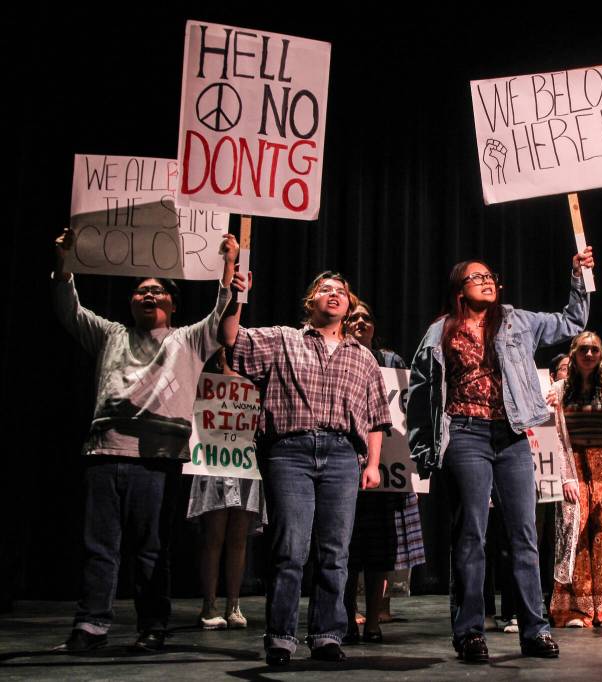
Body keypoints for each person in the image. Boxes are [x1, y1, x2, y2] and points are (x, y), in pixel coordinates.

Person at [52, 228, 237, 652]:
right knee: (99, 547)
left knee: (151, 549)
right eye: (141, 291)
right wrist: (64, 261)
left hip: (158, 458)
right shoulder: (111, 334)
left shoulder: (186, 339)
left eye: (157, 291)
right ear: (131, 302)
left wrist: (228, 265)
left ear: (172, 303)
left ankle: (153, 626)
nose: (148, 295)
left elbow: (219, 316)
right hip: (105, 451)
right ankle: (91, 625)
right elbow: (69, 309)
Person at [407, 248, 593, 662]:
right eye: (478, 277)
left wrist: (579, 276)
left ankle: (534, 630)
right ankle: (470, 631)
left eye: (491, 275)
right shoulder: (441, 333)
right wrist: (425, 450)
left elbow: (572, 322)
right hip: (465, 434)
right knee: (471, 533)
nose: (488, 281)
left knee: (524, 534)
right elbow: (420, 393)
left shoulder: (515, 320)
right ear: (459, 288)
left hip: (510, 435)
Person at [219, 271, 391, 666]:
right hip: (290, 451)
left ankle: (327, 635)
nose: (334, 296)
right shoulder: (282, 339)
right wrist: (234, 293)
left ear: (348, 305)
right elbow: (231, 339)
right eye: (325, 290)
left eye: (341, 292)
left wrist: (374, 463)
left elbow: (377, 417)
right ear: (310, 301)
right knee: (290, 549)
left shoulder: (362, 356)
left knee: (335, 552)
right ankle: (280, 637)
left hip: (343, 454)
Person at [342, 300, 425, 644]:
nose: (361, 321)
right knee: (345, 552)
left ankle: (373, 620)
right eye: (354, 317)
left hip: (386, 474)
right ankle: (345, 620)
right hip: (345, 467)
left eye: (367, 317)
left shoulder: (392, 363)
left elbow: (407, 410)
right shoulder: (336, 359)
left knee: (380, 552)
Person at [549, 331, 602, 628]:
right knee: (574, 533)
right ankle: (575, 609)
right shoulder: (558, 390)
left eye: (595, 349)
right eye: (584, 349)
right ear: (573, 353)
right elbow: (555, 435)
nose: (589, 354)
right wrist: (564, 476)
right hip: (573, 465)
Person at [186, 350, 267, 630]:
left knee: (238, 539)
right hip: (213, 464)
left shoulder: (255, 387)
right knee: (214, 537)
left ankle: (234, 603)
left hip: (244, 467)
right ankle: (209, 603)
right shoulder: (206, 385)